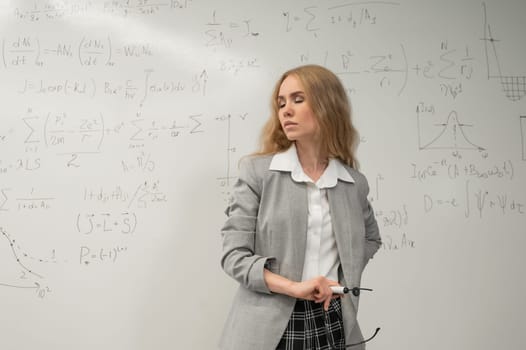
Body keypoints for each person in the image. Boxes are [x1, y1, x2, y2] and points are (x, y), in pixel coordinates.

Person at [219, 64, 381, 350]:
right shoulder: (258, 173)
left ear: (327, 105)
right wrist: (294, 287)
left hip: (332, 322)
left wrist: (342, 277)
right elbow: (234, 256)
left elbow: (370, 238)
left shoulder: (353, 183)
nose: (286, 111)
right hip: (268, 329)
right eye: (281, 103)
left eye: (297, 99)